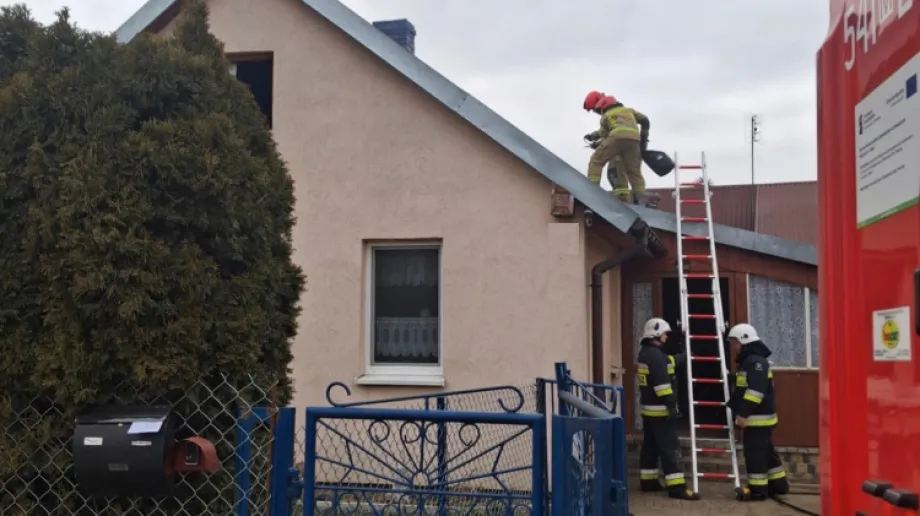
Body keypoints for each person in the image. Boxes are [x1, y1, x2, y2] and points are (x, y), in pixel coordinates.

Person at [636, 317, 700, 501]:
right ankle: (677, 488)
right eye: (664, 333)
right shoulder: (655, 355)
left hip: (649, 411)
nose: (666, 336)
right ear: (656, 333)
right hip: (661, 411)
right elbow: (662, 385)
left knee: (650, 447)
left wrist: (682, 357)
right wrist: (672, 405)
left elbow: (667, 364)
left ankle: (648, 482)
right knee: (670, 448)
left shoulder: (647, 353)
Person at [727, 323, 790, 501]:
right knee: (766, 452)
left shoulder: (755, 363)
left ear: (745, 341)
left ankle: (757, 490)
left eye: (736, 342)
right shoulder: (751, 362)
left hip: (757, 419)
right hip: (758, 419)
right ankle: (779, 485)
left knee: (755, 454)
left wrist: (742, 415)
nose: (735, 347)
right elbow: (745, 384)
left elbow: (755, 392)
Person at [581, 93, 657, 205]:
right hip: (634, 141)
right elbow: (645, 120)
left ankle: (593, 190)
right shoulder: (629, 111)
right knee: (634, 171)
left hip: (616, 142)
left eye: (595, 109)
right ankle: (641, 197)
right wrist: (643, 139)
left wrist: (594, 138)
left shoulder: (606, 116)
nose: (596, 112)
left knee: (596, 161)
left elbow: (608, 133)